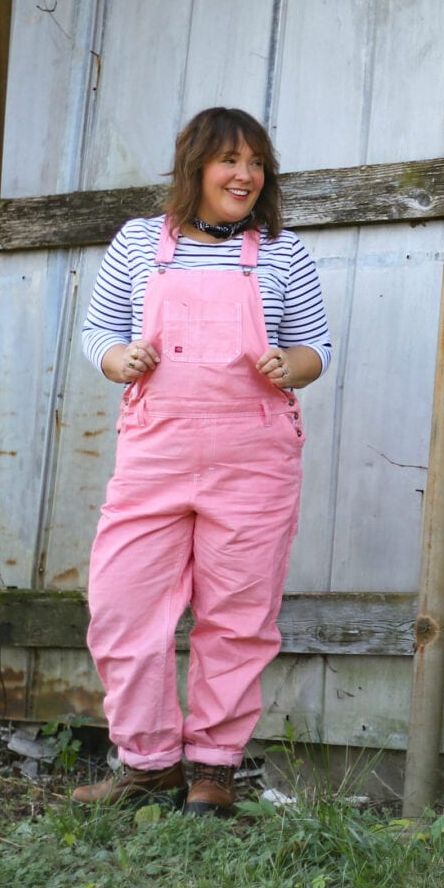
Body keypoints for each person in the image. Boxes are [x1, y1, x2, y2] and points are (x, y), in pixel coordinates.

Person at [73, 107, 331, 816]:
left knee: (238, 616)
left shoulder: (282, 251)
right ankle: (149, 761)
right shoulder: (137, 244)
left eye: (255, 161)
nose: (245, 174)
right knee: (124, 607)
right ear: (195, 168)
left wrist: (293, 365)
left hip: (253, 460)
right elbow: (99, 329)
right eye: (229, 160)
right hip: (155, 454)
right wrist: (118, 357)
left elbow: (318, 346)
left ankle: (214, 768)